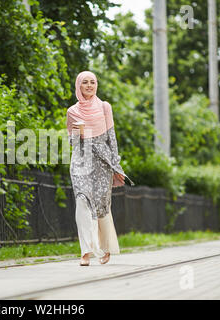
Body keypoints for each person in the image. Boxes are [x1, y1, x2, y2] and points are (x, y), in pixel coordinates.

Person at [66, 71, 134, 266]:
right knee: (82, 201)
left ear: (96, 85)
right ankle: (86, 251)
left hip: (103, 162)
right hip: (81, 160)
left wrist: (117, 165)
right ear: (78, 86)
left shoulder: (105, 107)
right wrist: (78, 133)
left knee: (100, 205)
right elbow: (73, 143)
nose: (89, 85)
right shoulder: (72, 111)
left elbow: (111, 139)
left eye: (92, 82)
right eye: (85, 82)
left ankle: (104, 248)